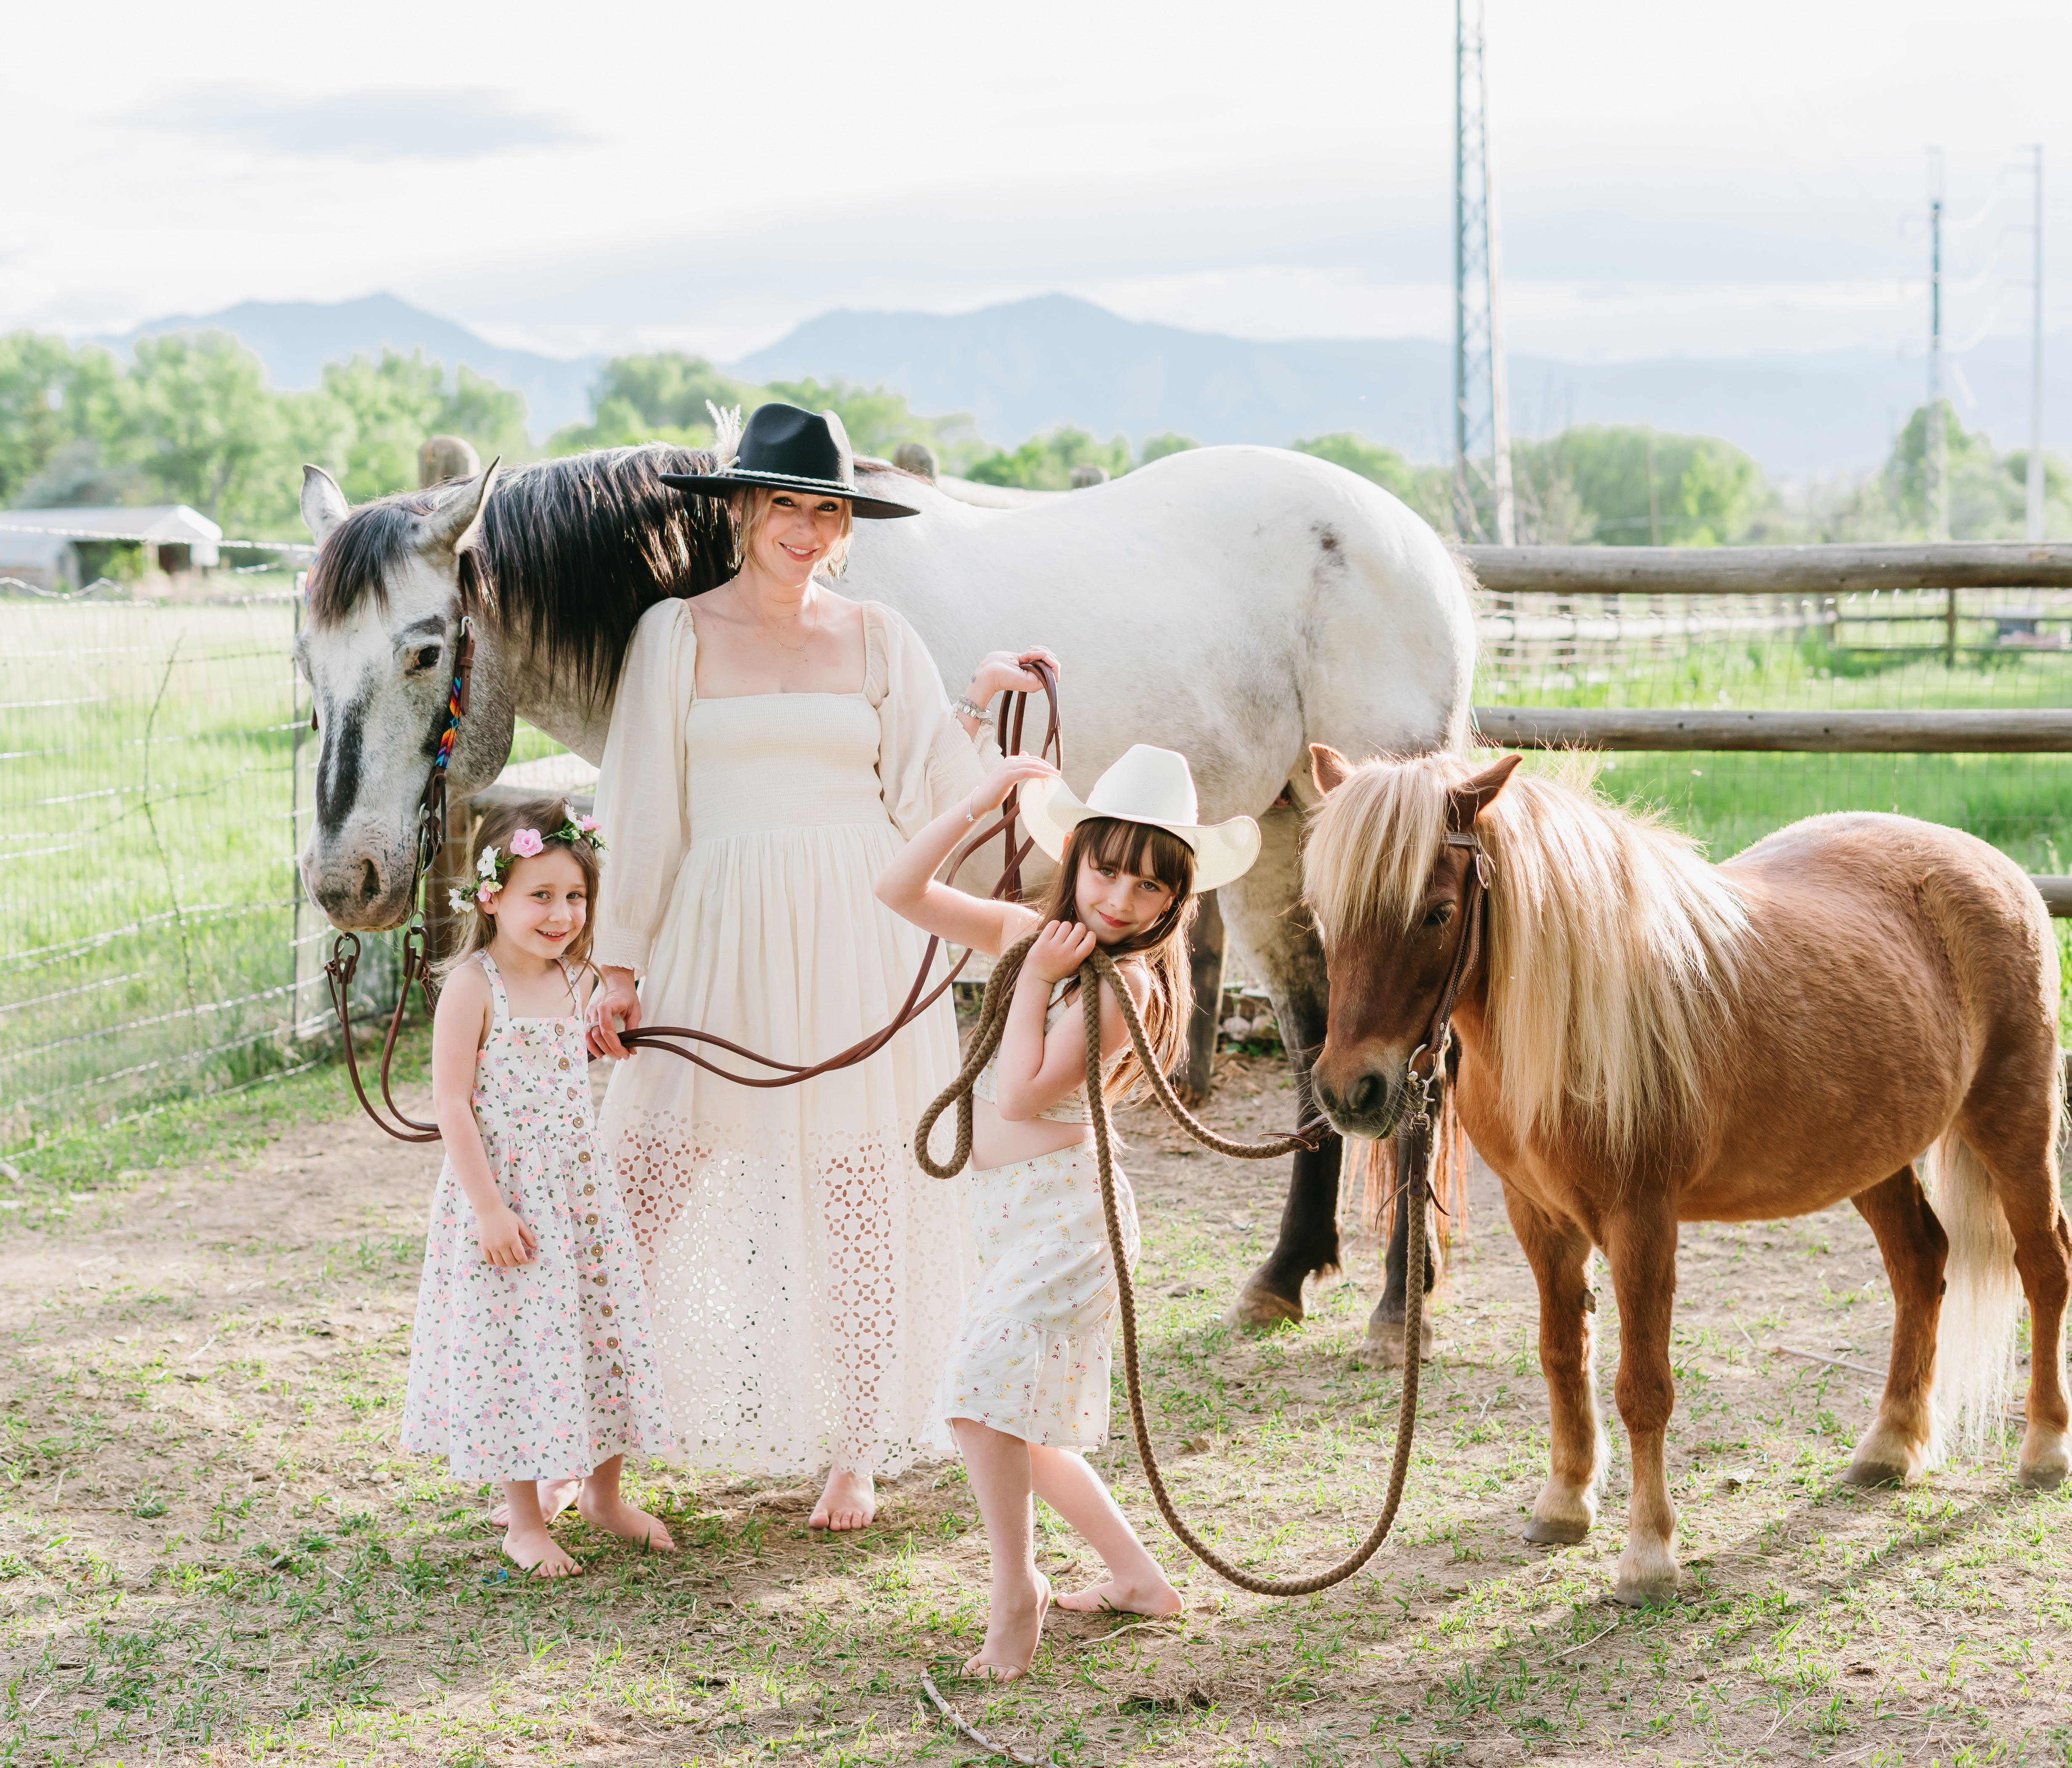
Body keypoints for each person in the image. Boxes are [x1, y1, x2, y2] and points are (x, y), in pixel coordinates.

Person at [587, 402, 1059, 1531]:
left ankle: (854, 1451)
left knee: (858, 1191)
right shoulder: (676, 636)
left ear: (845, 526)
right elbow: (645, 807)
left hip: (859, 929)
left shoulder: (880, 635)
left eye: (827, 511)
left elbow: (931, 790)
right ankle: (594, 1454)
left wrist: (980, 704)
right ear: (744, 510)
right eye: (787, 506)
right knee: (639, 1189)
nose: (806, 529)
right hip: (716, 926)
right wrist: (618, 965)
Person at [876, 743, 1261, 1680]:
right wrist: (979, 802)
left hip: (1068, 1218)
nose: (1122, 900)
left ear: (1174, 902)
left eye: (1150, 887)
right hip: (1010, 1211)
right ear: (1076, 856)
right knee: (1018, 1419)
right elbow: (899, 889)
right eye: (1108, 869)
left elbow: (1016, 1097)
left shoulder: (1117, 984)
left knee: (981, 1403)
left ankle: (1017, 1591)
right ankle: (1137, 1580)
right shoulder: (1031, 935)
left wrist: (1041, 978)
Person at [401, 798, 677, 1577]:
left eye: (575, 896)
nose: (561, 914)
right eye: (540, 896)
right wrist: (489, 1209)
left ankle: (603, 1493)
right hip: (508, 1197)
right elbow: (452, 1103)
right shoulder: (472, 986)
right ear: (491, 896)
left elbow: (577, 1058)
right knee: (516, 1350)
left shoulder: (578, 977)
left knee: (599, 1335)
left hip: (579, 1197)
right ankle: (522, 1517)